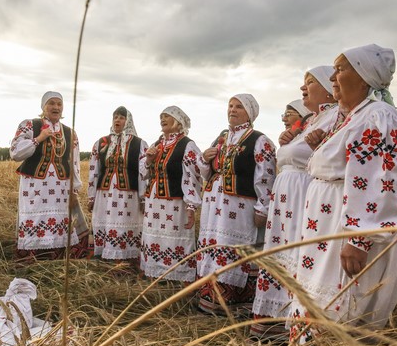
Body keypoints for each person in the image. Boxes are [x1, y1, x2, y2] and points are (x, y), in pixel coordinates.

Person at [290, 44, 397, 337]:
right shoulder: (353, 116)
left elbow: (376, 180)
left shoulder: (377, 116)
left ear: (364, 76)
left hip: (346, 228)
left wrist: (358, 237)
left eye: (341, 69)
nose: (333, 77)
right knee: (319, 296)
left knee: (337, 302)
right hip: (329, 225)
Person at [250, 67, 337, 339]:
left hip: (303, 197)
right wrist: (288, 141)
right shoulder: (312, 121)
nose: (303, 88)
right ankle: (273, 322)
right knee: (280, 257)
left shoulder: (335, 117)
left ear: (327, 87)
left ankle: (290, 319)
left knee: (298, 257)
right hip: (285, 198)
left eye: (310, 83)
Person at [196, 94, 276, 314]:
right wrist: (205, 158)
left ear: (250, 112)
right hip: (214, 204)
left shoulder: (259, 140)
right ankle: (210, 301)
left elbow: (266, 175)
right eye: (230, 106)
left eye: (238, 106)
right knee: (214, 245)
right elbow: (205, 173)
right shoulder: (221, 139)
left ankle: (235, 305)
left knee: (232, 247)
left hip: (239, 207)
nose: (232, 110)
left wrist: (264, 207)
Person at [9, 91, 89, 263]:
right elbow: (15, 152)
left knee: (60, 221)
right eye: (51, 103)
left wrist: (74, 190)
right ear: (43, 107)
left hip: (61, 189)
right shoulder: (30, 125)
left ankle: (57, 261)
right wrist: (39, 138)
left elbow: (74, 163)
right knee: (34, 219)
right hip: (35, 188)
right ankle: (31, 261)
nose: (56, 107)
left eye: (59, 104)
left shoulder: (70, 133)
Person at [140, 106, 203, 282]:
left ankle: (176, 277)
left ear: (178, 121)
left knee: (174, 239)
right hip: (154, 202)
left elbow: (194, 175)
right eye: (161, 116)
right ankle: (154, 274)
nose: (163, 119)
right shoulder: (157, 144)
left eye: (167, 116)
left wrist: (191, 205)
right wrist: (149, 160)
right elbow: (143, 173)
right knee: (154, 237)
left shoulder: (187, 145)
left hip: (174, 203)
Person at [87, 107, 148, 264]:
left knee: (125, 224)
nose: (117, 120)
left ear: (128, 121)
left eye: (121, 117)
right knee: (104, 221)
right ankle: (104, 255)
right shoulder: (101, 142)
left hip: (128, 194)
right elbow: (94, 169)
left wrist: (143, 198)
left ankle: (126, 259)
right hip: (104, 193)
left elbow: (143, 173)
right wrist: (91, 195)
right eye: (115, 117)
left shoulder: (138, 144)